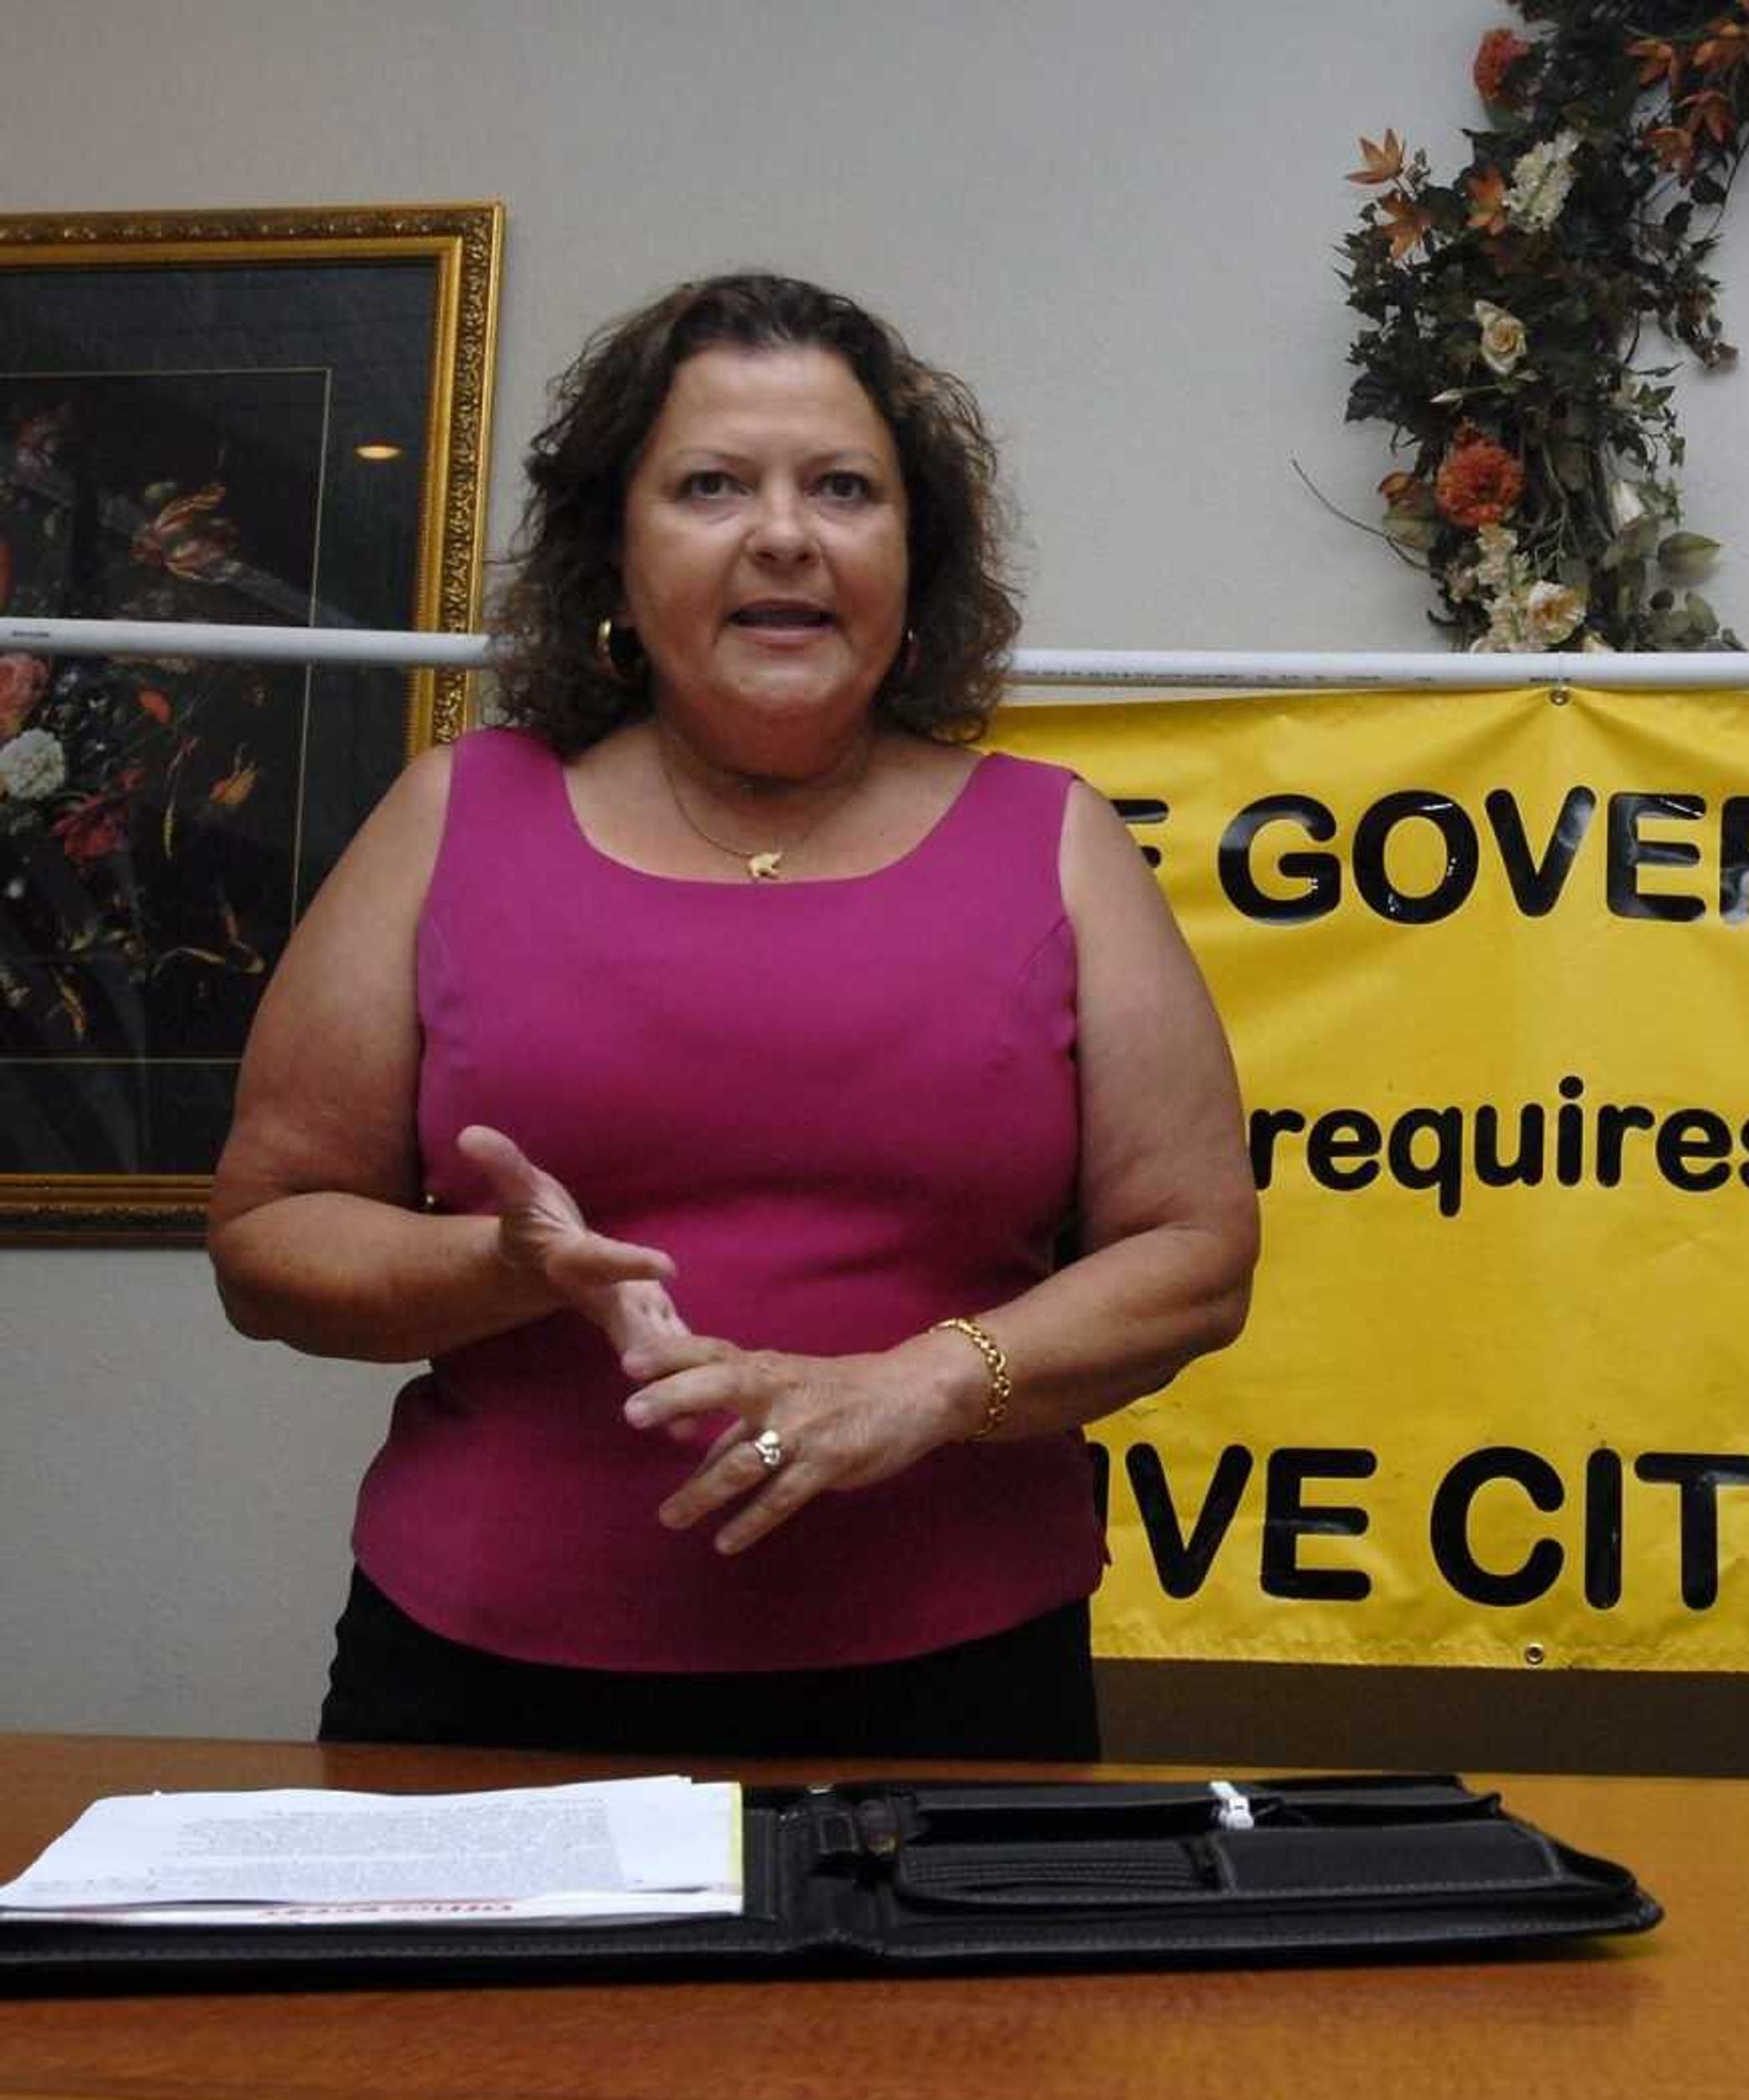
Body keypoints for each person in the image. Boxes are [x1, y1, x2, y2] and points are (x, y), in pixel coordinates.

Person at [208, 273, 1258, 1758]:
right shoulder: (455, 814)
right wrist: (502, 1269)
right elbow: (267, 1237)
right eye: (712, 485)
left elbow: (1196, 1254)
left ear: (915, 553)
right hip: (480, 1684)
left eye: (844, 488)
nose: (786, 533)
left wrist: (927, 1386)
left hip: (962, 1681)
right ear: (614, 555)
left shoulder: (1058, 836)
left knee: (980, 2015)